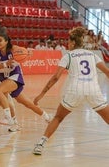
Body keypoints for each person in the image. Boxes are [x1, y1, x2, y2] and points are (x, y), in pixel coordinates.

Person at [32, 26, 109, 155]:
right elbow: (107, 72)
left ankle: (40, 144)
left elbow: (56, 77)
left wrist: (41, 94)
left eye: (69, 41)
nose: (68, 44)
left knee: (57, 117)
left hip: (75, 90)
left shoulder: (68, 56)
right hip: (93, 90)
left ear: (73, 42)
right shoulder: (92, 54)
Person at [0, 33, 52, 132]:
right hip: (5, 79)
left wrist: (28, 54)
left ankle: (9, 119)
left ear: (6, 41)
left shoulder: (13, 49)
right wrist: (6, 64)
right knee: (27, 103)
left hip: (15, 77)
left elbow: (24, 53)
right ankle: (47, 117)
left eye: (0, 40)